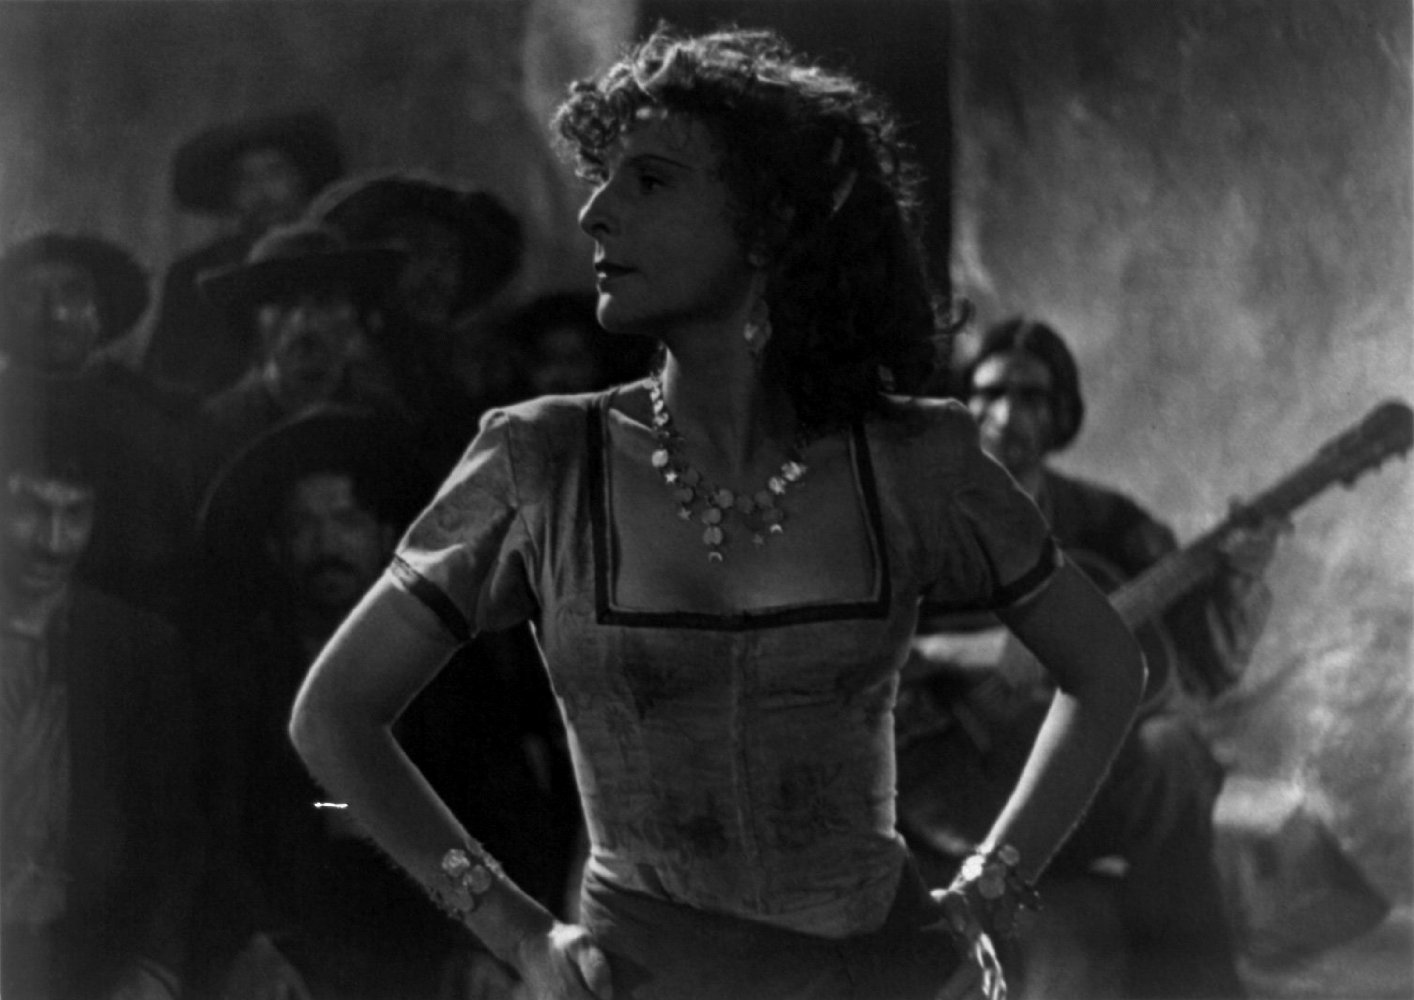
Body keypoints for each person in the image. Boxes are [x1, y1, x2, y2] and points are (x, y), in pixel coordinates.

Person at [288, 27, 1146, 1000]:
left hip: (888, 972)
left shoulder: (915, 457)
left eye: (650, 182)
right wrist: (515, 933)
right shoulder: (540, 461)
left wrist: (990, 891)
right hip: (648, 979)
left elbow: (1107, 668)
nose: (596, 212)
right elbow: (334, 717)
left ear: (767, 223)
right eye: (602, 181)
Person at [896, 316, 1282, 999]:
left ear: (1060, 414)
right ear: (963, 402)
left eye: (1030, 397)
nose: (1007, 415)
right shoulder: (916, 516)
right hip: (952, 781)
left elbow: (1204, 667)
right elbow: (859, 649)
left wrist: (1241, 576)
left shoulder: (1105, 522)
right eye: (990, 393)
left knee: (1175, 752)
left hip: (1075, 778)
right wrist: (978, 652)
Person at [188, 406, 578, 1000]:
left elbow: (509, 812)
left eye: (346, 520)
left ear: (382, 534)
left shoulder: (449, 667)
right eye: (303, 526)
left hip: (434, 933)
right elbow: (213, 827)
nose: (326, 545)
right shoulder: (243, 672)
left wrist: (485, 947)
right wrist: (253, 939)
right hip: (297, 933)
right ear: (276, 548)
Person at [0, 397, 200, 1000]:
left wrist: (155, 965)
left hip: (94, 958)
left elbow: (177, 830)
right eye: (31, 510)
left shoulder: (134, 648)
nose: (53, 542)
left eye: (74, 514)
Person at [0, 232, 205, 623]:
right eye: (30, 295)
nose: (55, 314)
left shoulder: (156, 416)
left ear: (102, 309)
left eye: (74, 294)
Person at [307, 170, 526, 471]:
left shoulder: (481, 373)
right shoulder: (335, 374)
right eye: (417, 253)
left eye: (449, 256)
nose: (437, 276)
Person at [193, 218, 412, 490]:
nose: (304, 325)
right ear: (254, 323)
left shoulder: (385, 424)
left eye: (325, 301)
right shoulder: (215, 430)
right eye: (284, 304)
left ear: (354, 316)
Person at [142, 109, 345, 397]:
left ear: (301, 179)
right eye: (245, 180)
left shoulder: (337, 258)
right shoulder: (194, 274)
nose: (262, 192)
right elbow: (168, 376)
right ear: (229, 195)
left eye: (275, 172)